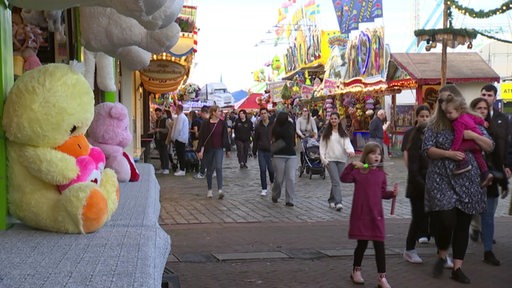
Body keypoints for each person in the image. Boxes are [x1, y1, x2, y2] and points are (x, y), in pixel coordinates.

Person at [423, 84, 493, 284]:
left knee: (463, 223)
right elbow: (427, 150)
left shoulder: (469, 119)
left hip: (468, 180)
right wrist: (448, 153)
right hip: (441, 179)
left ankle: (457, 268)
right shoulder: (434, 125)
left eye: (449, 99)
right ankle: (442, 252)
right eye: (442, 100)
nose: (445, 104)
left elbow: (490, 145)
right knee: (447, 220)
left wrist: (473, 136)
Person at [340, 142, 398, 288]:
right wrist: (353, 165)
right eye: (373, 153)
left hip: (376, 216)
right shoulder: (360, 172)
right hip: (362, 215)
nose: (376, 156)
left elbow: (382, 193)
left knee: (380, 245)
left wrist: (391, 194)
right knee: (362, 244)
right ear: (366, 156)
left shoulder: (380, 174)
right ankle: (356, 270)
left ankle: (382, 277)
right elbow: (344, 178)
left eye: (379, 154)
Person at [469, 97, 508, 266]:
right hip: (470, 179)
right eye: (478, 108)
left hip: (491, 178)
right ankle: (456, 254)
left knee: (489, 217)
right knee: (465, 217)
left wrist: (504, 181)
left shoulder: (494, 128)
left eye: (484, 108)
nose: (482, 111)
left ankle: (488, 251)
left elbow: (499, 155)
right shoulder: (466, 127)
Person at [401, 105, 435, 263]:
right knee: (418, 217)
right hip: (417, 184)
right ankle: (410, 248)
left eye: (427, 116)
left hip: (431, 182)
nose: (424, 119)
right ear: (417, 117)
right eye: (421, 116)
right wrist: (412, 173)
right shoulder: (411, 134)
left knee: (434, 216)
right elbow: (407, 156)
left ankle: (439, 249)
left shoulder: (432, 133)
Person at [443, 94, 493, 186]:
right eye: (446, 113)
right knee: (478, 156)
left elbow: (458, 137)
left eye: (450, 113)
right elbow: (476, 118)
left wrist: (454, 148)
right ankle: (486, 173)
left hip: (472, 142)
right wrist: (483, 122)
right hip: (479, 139)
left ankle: (464, 163)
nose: (448, 115)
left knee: (459, 149)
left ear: (458, 110)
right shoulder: (466, 115)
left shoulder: (457, 122)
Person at [319, 112, 355, 211]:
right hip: (330, 160)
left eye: (335, 118)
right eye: (332, 119)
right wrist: (324, 159)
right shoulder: (326, 134)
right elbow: (322, 148)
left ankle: (331, 199)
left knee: (337, 180)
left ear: (339, 120)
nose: (334, 120)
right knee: (336, 181)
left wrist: (350, 151)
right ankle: (338, 202)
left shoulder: (343, 134)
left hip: (341, 160)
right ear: (330, 121)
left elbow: (347, 145)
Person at [196, 105, 231, 199]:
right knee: (210, 169)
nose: (220, 113)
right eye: (219, 111)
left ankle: (220, 190)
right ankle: (210, 190)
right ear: (214, 112)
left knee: (219, 167)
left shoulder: (222, 123)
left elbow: (225, 137)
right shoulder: (205, 123)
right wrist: (199, 150)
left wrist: (227, 149)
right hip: (209, 149)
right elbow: (202, 138)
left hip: (219, 148)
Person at [271, 111, 297, 207]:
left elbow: (290, 138)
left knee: (290, 177)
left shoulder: (290, 125)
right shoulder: (275, 127)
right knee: (279, 178)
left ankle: (289, 200)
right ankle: (275, 194)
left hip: (291, 155)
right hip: (278, 155)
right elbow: (278, 137)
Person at [252, 107, 274, 196]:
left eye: (265, 113)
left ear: (268, 114)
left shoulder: (273, 124)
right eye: (262, 113)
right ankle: (264, 188)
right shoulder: (258, 126)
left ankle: (272, 183)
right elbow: (255, 139)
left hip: (271, 151)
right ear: (260, 115)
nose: (263, 115)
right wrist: (254, 151)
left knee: (271, 170)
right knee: (262, 169)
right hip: (261, 150)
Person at [149, 107, 169, 174]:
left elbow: (167, 130)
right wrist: (154, 130)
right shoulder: (157, 120)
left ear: (161, 113)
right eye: (156, 114)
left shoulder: (165, 120)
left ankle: (166, 168)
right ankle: (162, 167)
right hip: (158, 139)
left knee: (165, 153)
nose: (157, 115)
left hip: (164, 139)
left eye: (158, 114)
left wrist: (159, 129)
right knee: (161, 154)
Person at [170, 104, 189, 176]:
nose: (175, 110)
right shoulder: (180, 117)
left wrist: (174, 137)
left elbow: (178, 129)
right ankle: (181, 168)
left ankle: (182, 169)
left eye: (176, 109)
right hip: (180, 138)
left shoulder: (181, 117)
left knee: (181, 154)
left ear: (179, 109)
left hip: (180, 139)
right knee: (180, 154)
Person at [194, 105, 210, 179]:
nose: (200, 114)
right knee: (209, 158)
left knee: (203, 158)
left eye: (201, 112)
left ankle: (202, 173)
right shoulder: (211, 120)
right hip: (210, 143)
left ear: (204, 113)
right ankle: (209, 171)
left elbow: (202, 134)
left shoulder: (206, 121)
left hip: (205, 143)